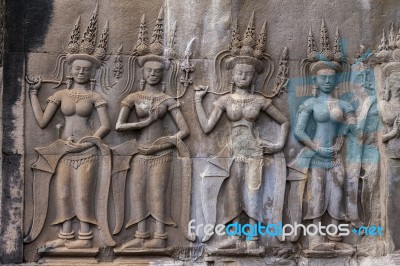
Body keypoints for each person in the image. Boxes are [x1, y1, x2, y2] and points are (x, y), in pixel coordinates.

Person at [24, 9, 115, 249]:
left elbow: (106, 125)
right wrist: (34, 93)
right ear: (70, 69)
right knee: (63, 194)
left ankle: (85, 237)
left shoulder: (95, 96)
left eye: (86, 69)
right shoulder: (60, 94)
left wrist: (91, 140)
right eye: (77, 68)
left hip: (87, 151)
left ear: (92, 71)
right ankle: (65, 235)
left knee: (83, 194)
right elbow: (42, 121)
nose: (81, 72)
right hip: (63, 150)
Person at [195, 58, 289, 249]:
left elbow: (284, 121)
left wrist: (279, 145)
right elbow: (206, 127)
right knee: (234, 193)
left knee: (253, 194)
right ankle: (236, 236)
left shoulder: (260, 100)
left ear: (254, 76)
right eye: (239, 73)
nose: (243, 77)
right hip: (233, 152)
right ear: (232, 75)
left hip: (255, 152)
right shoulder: (225, 100)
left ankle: (253, 237)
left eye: (247, 73)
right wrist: (197, 101)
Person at [115, 10, 190, 249]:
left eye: (158, 71)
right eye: (149, 70)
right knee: (138, 193)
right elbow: (119, 126)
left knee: (158, 193)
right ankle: (140, 236)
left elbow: (184, 130)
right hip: (139, 151)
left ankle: (159, 237)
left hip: (161, 153)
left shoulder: (168, 99)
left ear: (163, 74)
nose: (153, 74)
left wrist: (165, 142)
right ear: (143, 72)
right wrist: (144, 123)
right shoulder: (133, 97)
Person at [290, 61, 355, 250]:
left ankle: (335, 234)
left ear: (336, 80)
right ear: (315, 80)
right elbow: (299, 131)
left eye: (331, 78)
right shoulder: (310, 103)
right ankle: (315, 235)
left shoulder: (344, 104)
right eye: (323, 77)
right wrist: (315, 147)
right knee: (316, 193)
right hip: (317, 154)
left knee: (336, 193)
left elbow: (353, 125)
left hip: (335, 155)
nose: (327, 81)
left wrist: (344, 131)